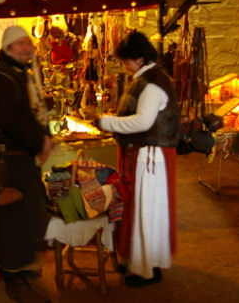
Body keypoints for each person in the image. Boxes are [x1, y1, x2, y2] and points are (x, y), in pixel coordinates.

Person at [0, 26, 53, 303]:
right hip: (6, 162)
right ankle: (12, 276)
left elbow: (25, 115)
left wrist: (43, 136)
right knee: (10, 221)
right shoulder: (0, 79)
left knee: (22, 219)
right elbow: (9, 120)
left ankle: (17, 268)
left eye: (28, 44)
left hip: (16, 159)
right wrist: (39, 142)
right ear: (6, 48)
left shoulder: (14, 74)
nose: (26, 49)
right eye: (19, 45)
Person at [94, 30, 181, 287]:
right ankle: (143, 263)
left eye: (125, 61)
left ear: (139, 59)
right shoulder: (148, 78)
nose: (123, 66)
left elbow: (144, 120)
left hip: (150, 155)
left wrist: (107, 122)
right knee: (143, 209)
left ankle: (146, 269)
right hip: (146, 153)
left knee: (147, 211)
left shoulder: (153, 83)